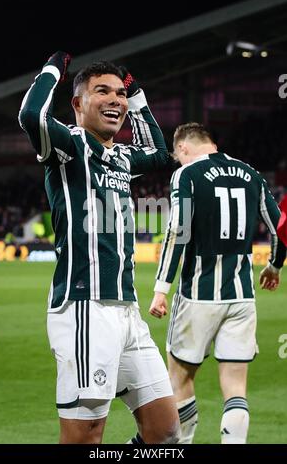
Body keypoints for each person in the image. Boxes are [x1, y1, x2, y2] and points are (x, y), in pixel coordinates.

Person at [19, 51, 180, 444]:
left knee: (165, 431)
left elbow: (160, 153)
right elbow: (31, 116)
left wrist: (136, 93)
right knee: (86, 434)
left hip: (127, 311)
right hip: (85, 309)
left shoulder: (120, 157)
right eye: (102, 92)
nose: (115, 100)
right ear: (78, 104)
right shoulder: (69, 146)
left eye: (118, 94)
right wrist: (54, 68)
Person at [149, 122, 286, 444]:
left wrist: (160, 289)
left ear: (182, 147)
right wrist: (275, 266)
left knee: (180, 378)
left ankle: (181, 445)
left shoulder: (187, 174)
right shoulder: (250, 172)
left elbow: (176, 233)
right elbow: (280, 225)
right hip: (242, 297)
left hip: (198, 295)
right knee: (236, 388)